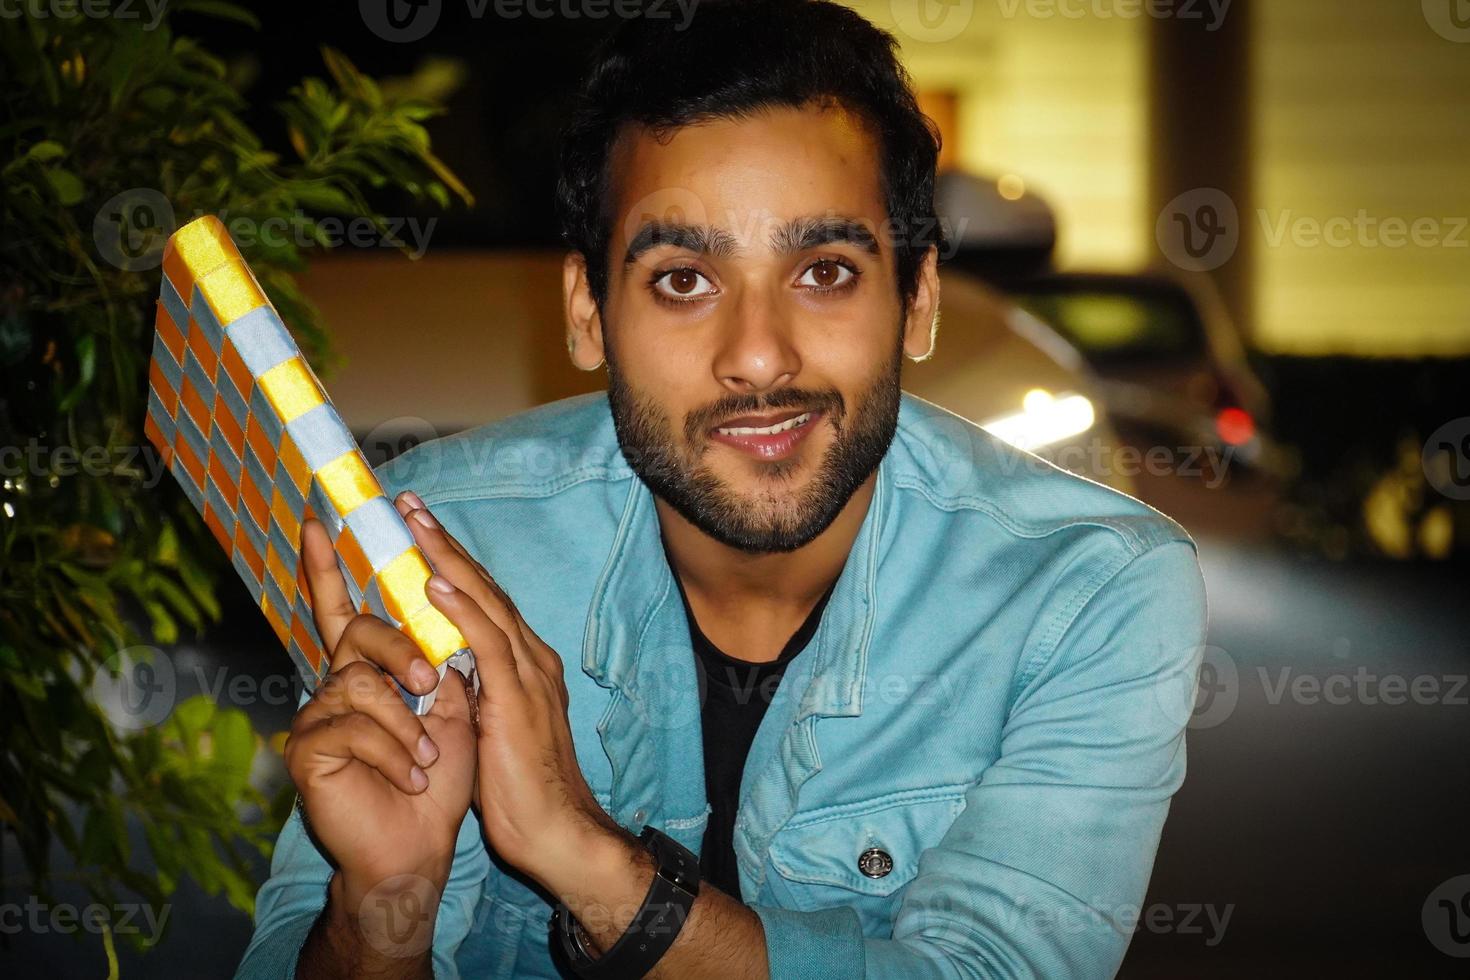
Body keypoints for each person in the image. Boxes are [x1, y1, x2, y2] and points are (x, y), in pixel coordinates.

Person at [236, 1, 1209, 977]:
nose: (756, 354)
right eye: (682, 279)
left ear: (917, 299)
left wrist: (586, 855)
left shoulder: (1084, 589)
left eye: (825, 270)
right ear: (587, 313)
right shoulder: (438, 547)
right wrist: (381, 905)